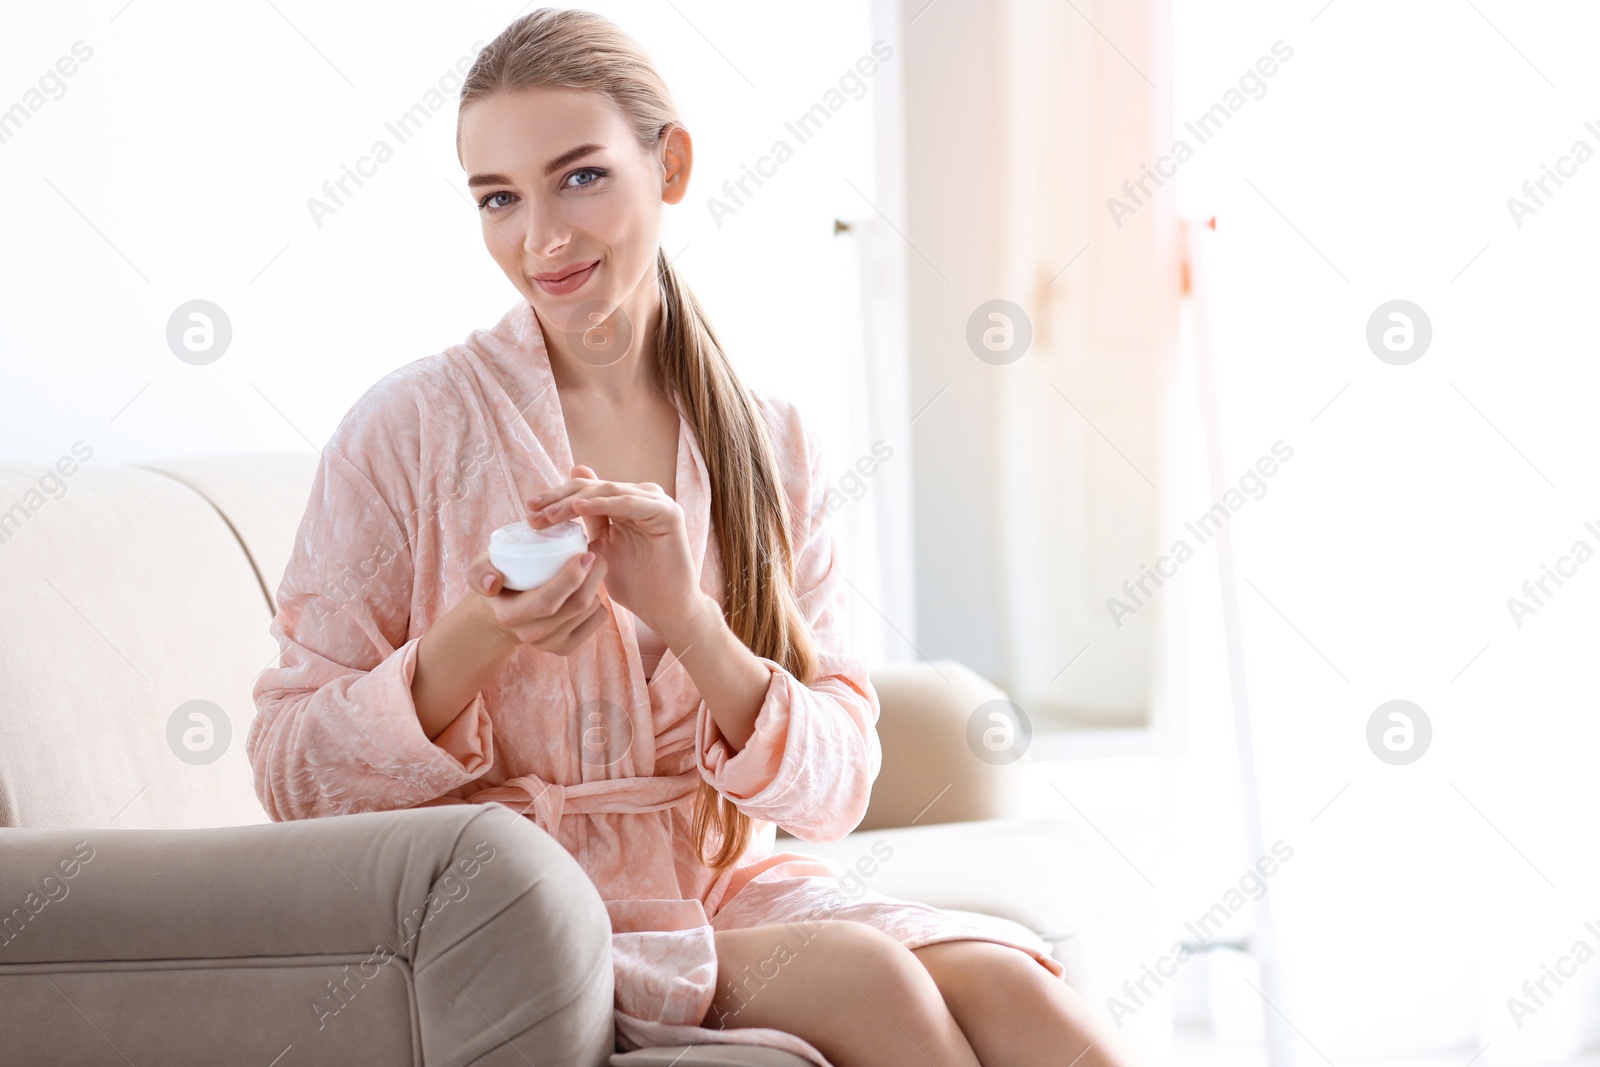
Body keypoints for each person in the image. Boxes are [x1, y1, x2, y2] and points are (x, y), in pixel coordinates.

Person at [249, 8, 1137, 1066]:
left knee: (1037, 1007)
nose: (540, 238)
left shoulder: (769, 441)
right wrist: (481, 633)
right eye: (499, 198)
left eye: (579, 177)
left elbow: (835, 786)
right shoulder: (406, 431)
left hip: (722, 889)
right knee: (874, 980)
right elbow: (292, 773)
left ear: (669, 164)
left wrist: (688, 617)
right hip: (514, 916)